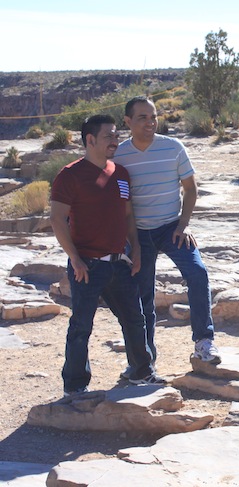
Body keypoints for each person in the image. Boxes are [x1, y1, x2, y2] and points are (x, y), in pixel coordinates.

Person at [50, 114, 164, 396]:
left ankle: (141, 372)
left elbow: (127, 214)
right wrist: (74, 259)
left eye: (116, 135)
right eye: (108, 136)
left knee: (135, 319)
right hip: (87, 265)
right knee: (81, 327)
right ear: (90, 140)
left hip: (120, 263)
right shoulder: (70, 175)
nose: (115, 141)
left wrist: (135, 248)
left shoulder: (121, 173)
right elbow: (56, 219)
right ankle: (75, 387)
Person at [113, 96, 221, 374]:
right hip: (138, 234)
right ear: (127, 122)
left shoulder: (173, 147)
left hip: (171, 228)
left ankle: (204, 342)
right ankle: (144, 359)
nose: (150, 122)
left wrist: (182, 226)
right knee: (143, 296)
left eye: (153, 117)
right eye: (142, 117)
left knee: (197, 273)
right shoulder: (119, 155)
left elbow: (191, 188)